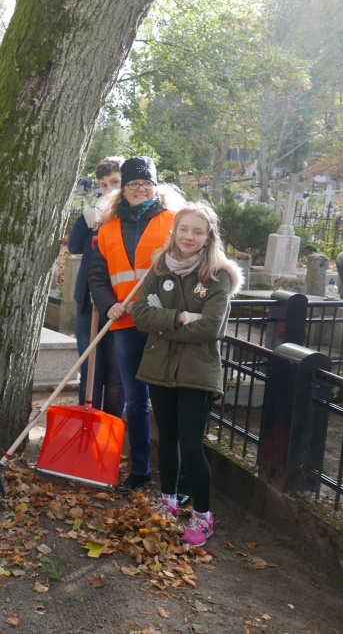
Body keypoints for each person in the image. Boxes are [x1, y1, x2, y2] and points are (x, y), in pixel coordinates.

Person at [132, 202, 243, 546]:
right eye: (184, 230)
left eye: (197, 231)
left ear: (209, 235)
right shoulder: (160, 267)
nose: (189, 237)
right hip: (159, 367)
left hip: (197, 371)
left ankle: (202, 516)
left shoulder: (218, 274)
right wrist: (181, 319)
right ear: (174, 231)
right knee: (166, 438)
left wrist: (163, 319)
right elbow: (139, 315)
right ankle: (168, 503)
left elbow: (211, 328)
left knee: (191, 446)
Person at [89, 156, 183, 494]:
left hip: (161, 324)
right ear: (123, 190)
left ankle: (178, 478)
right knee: (136, 400)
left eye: (147, 184)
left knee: (169, 399)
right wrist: (107, 303)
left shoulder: (174, 223)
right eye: (134, 184)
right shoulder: (107, 230)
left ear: (155, 186)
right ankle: (140, 470)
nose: (141, 189)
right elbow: (97, 277)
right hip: (125, 324)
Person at [67, 156, 125, 416]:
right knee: (90, 373)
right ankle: (85, 432)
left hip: (118, 307)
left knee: (115, 376)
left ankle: (108, 433)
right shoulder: (96, 218)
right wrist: (84, 219)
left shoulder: (130, 220)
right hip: (88, 306)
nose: (109, 189)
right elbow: (74, 247)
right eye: (103, 185)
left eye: (115, 182)